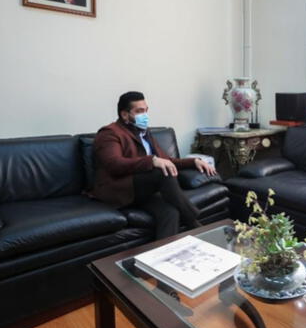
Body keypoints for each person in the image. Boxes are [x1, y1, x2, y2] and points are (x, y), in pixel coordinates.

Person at [92, 91, 217, 239]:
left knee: (171, 211)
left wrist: (193, 161)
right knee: (162, 172)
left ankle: (164, 256)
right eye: (139, 111)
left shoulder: (144, 132)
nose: (144, 115)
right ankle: (193, 222)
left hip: (143, 191)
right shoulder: (109, 133)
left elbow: (166, 160)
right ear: (124, 115)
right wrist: (151, 160)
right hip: (120, 190)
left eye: (146, 110)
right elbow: (115, 164)